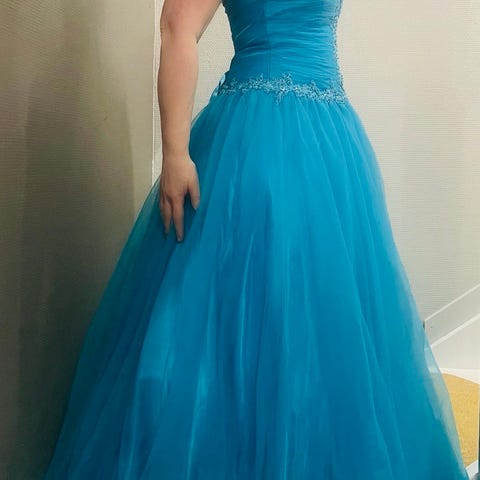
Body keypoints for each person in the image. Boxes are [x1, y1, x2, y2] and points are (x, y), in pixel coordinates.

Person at [44, 0, 470, 478]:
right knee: (245, 311)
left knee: (327, 315)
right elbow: (177, 25)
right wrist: (176, 153)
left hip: (327, 138)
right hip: (259, 141)